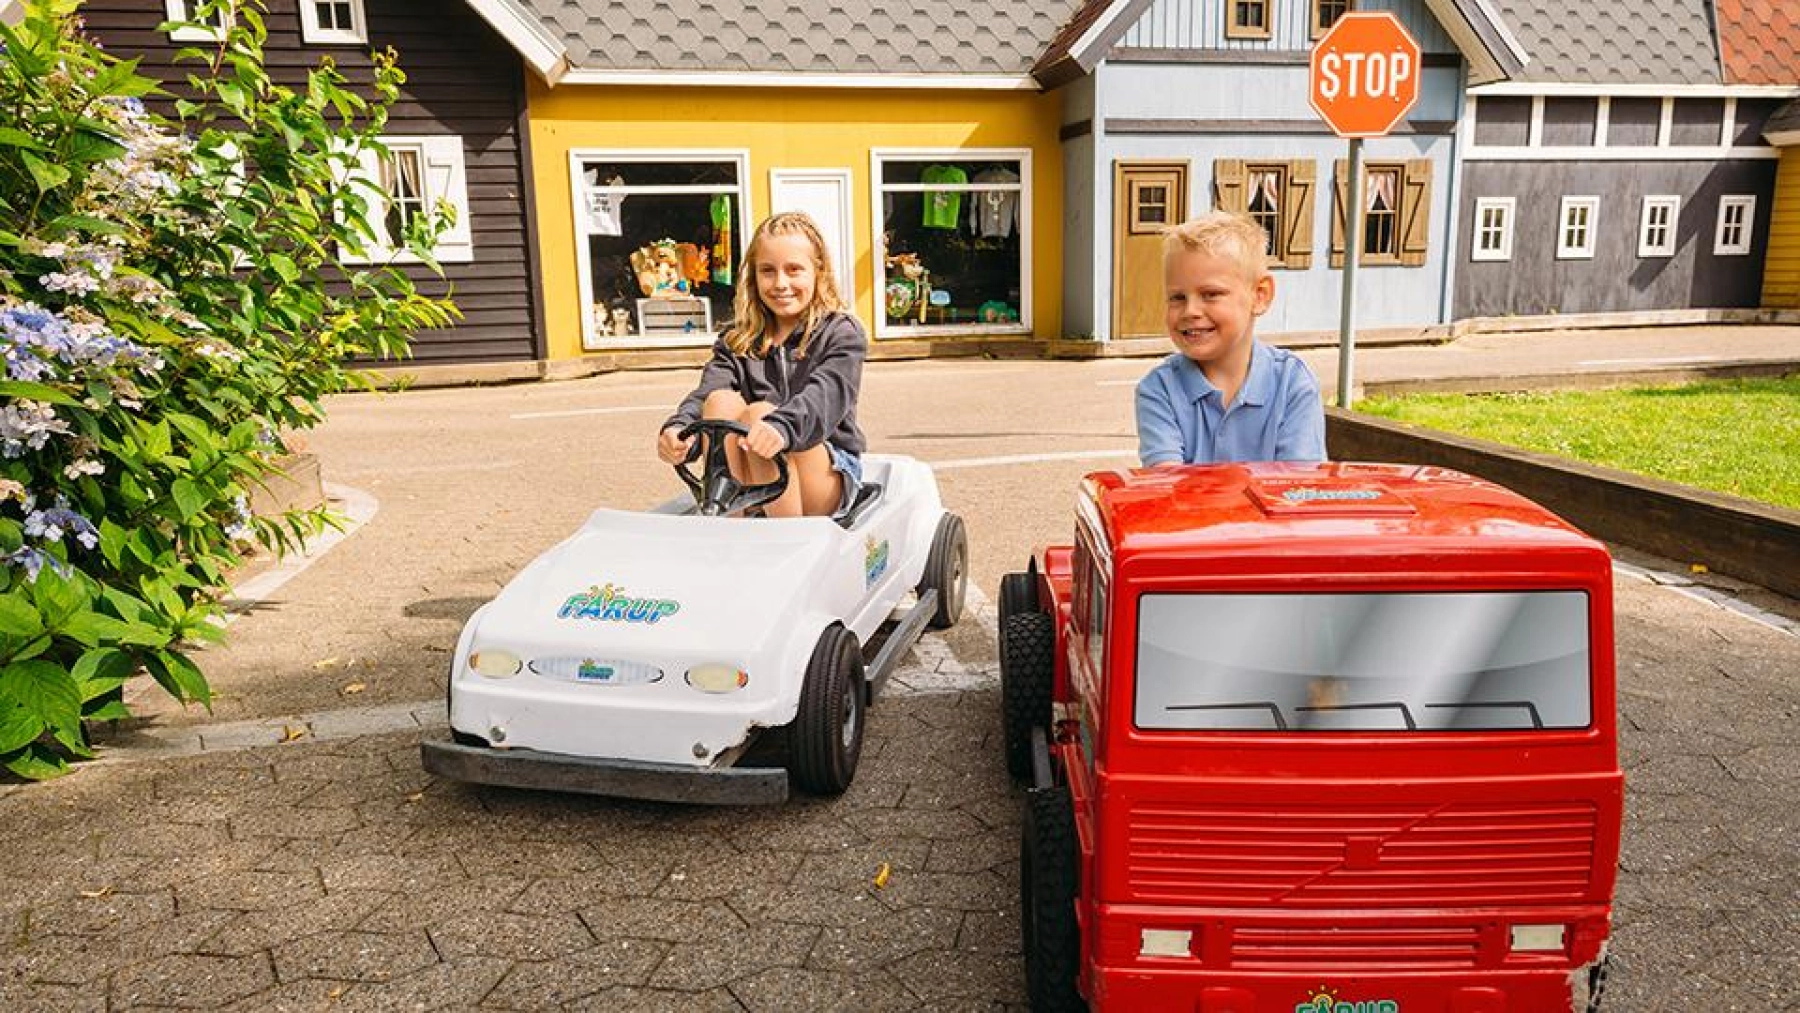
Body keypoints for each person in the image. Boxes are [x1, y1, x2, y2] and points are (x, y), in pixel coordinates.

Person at [657, 211, 867, 518]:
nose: (781, 283)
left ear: (818, 272)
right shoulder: (737, 339)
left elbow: (825, 398)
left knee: (759, 413)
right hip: (752, 473)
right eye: (768, 271)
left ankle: (786, 540)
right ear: (754, 277)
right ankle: (732, 526)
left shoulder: (841, 333)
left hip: (825, 469)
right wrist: (680, 431)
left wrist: (780, 426)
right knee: (720, 402)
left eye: (794, 270)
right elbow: (707, 393)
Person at [1135, 210, 1326, 467]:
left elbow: (1298, 485)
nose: (1190, 311)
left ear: (1260, 296)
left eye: (1211, 294)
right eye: (1177, 297)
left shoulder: (1292, 382)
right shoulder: (1159, 389)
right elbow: (1169, 482)